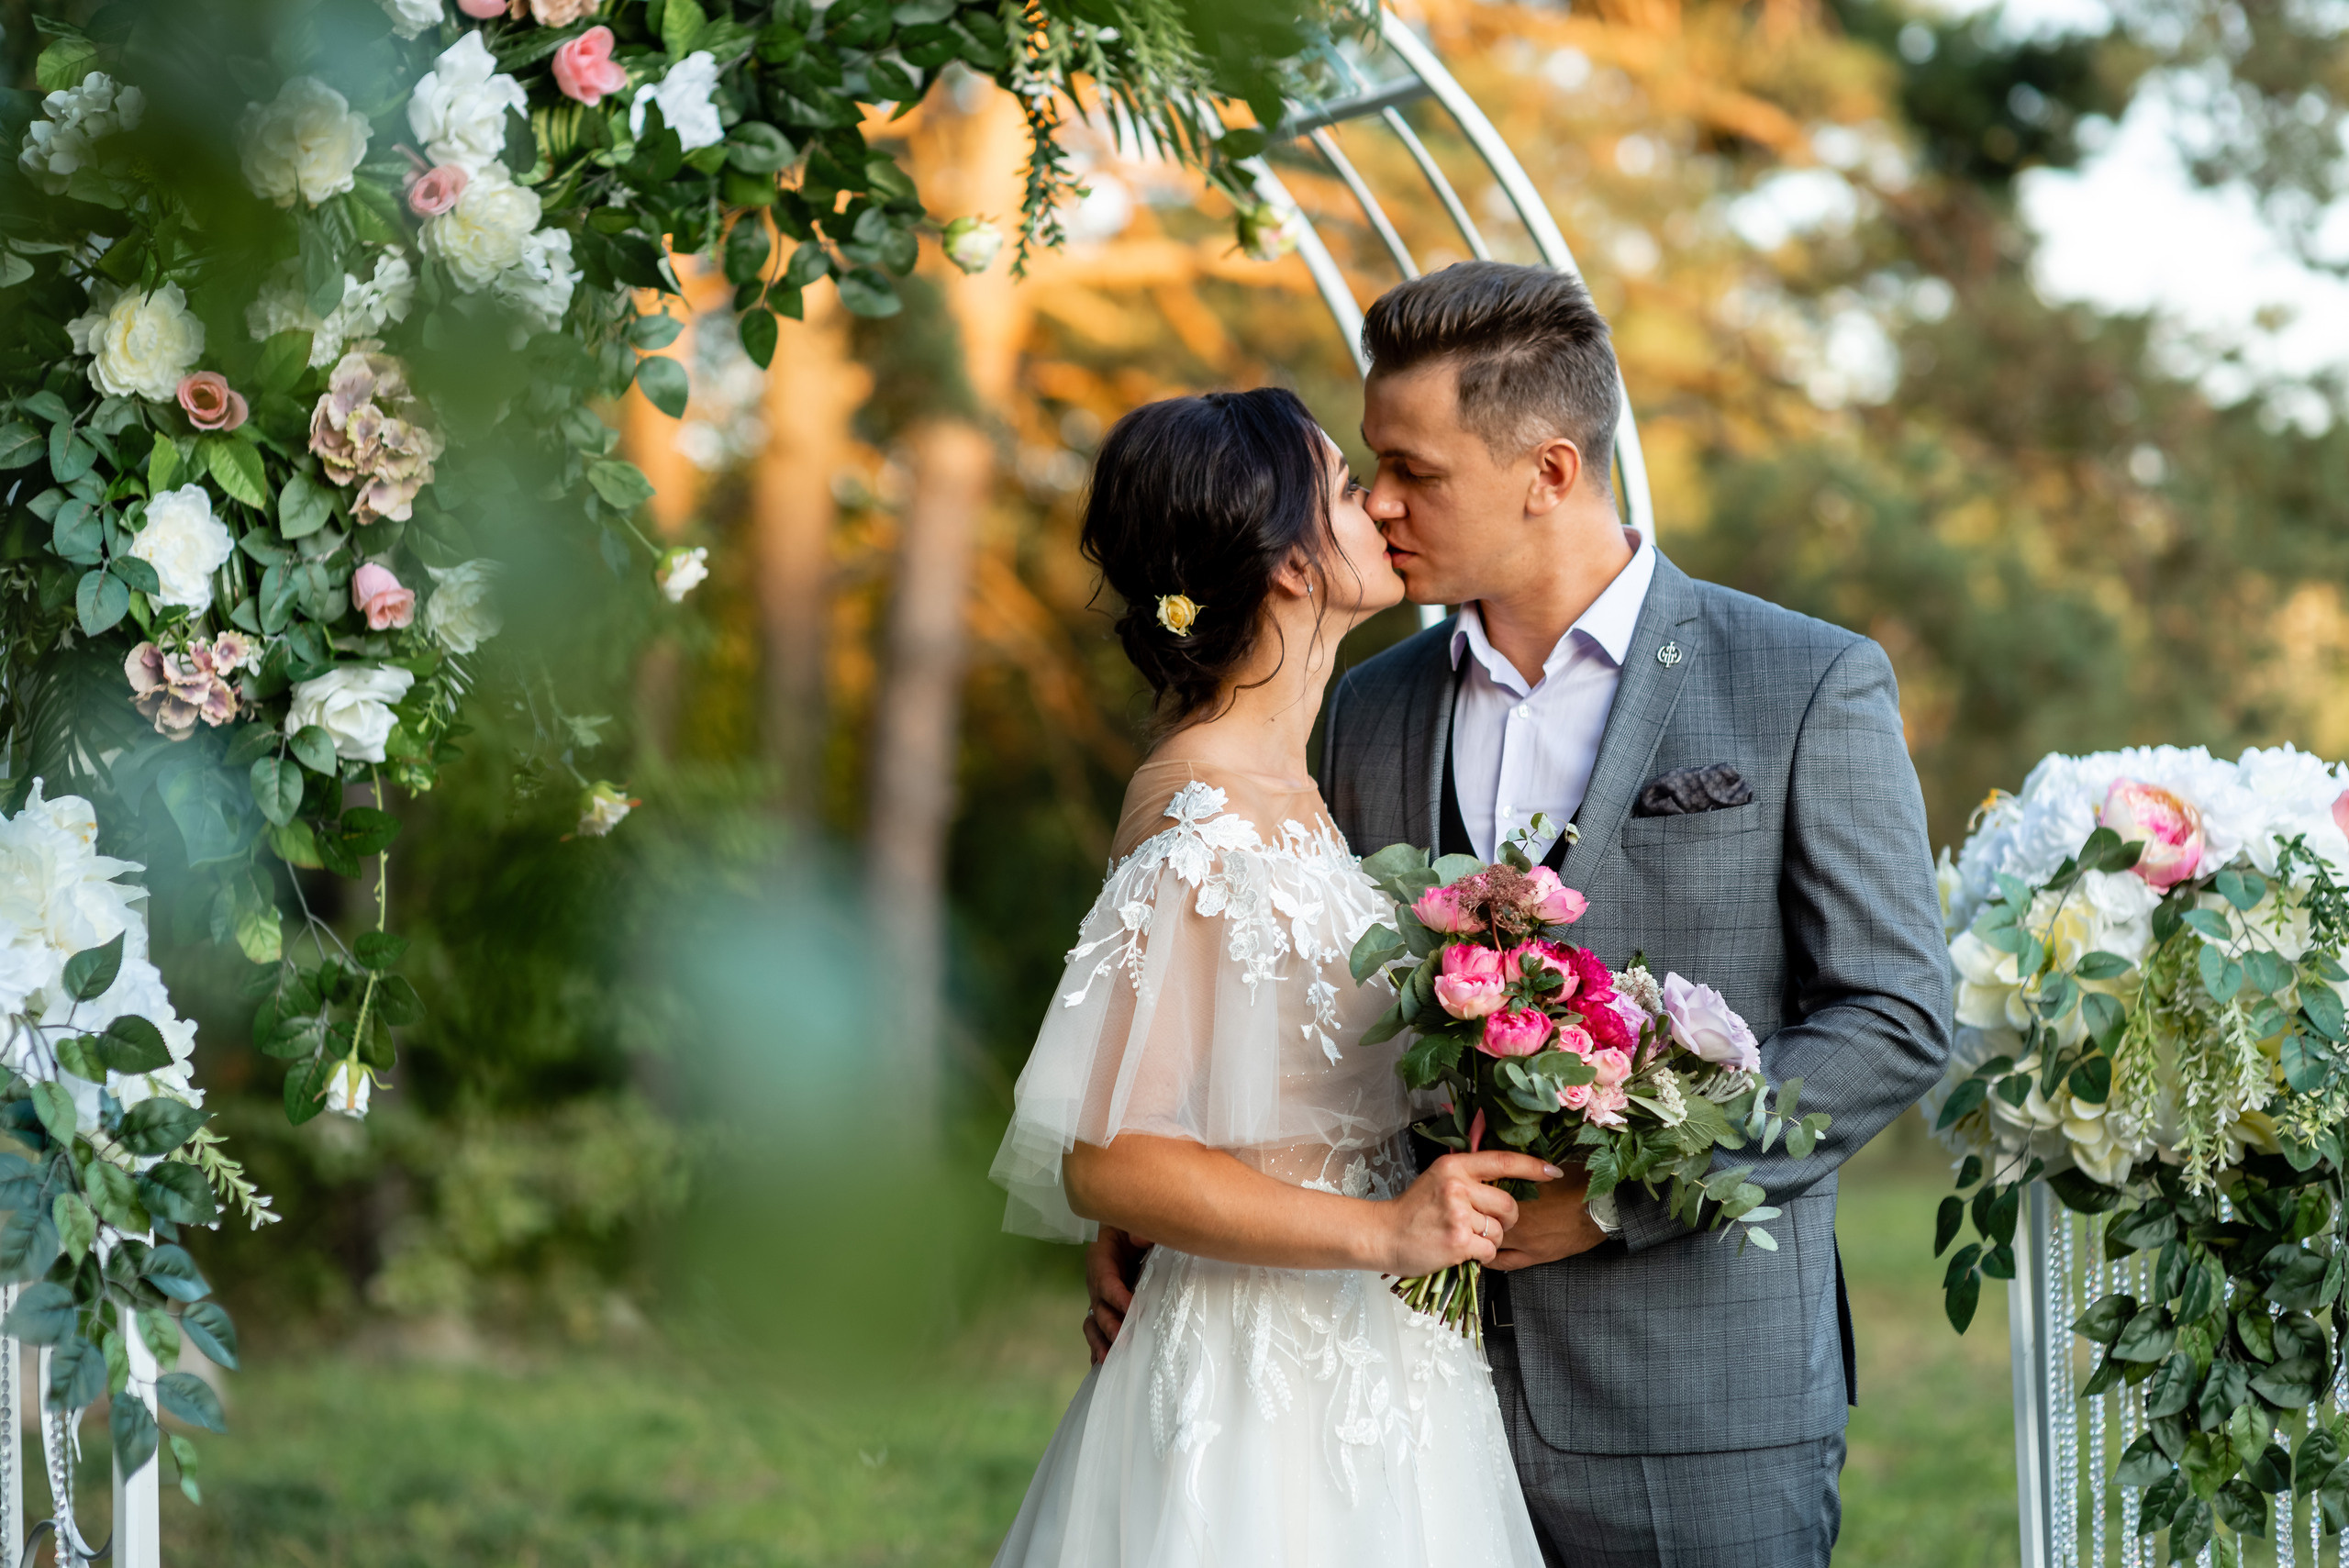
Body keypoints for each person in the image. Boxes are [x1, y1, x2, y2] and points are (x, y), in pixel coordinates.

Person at [1084, 262, 1955, 1567]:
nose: (1379, 503)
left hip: (1697, 1401)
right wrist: (1155, 1206)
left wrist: (1614, 1201)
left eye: (1415, 471)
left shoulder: (1801, 680)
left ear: (1548, 472)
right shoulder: (1364, 713)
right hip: (1397, 1402)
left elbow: (1891, 1016)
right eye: (1369, 465)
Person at [987, 386, 1552, 1567]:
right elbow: (1110, 1155)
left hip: (1376, 1360)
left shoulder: (1293, 793)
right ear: (1292, 565)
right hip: (1259, 1381)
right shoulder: (1201, 811)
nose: (1380, 503)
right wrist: (1384, 1231)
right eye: (1349, 486)